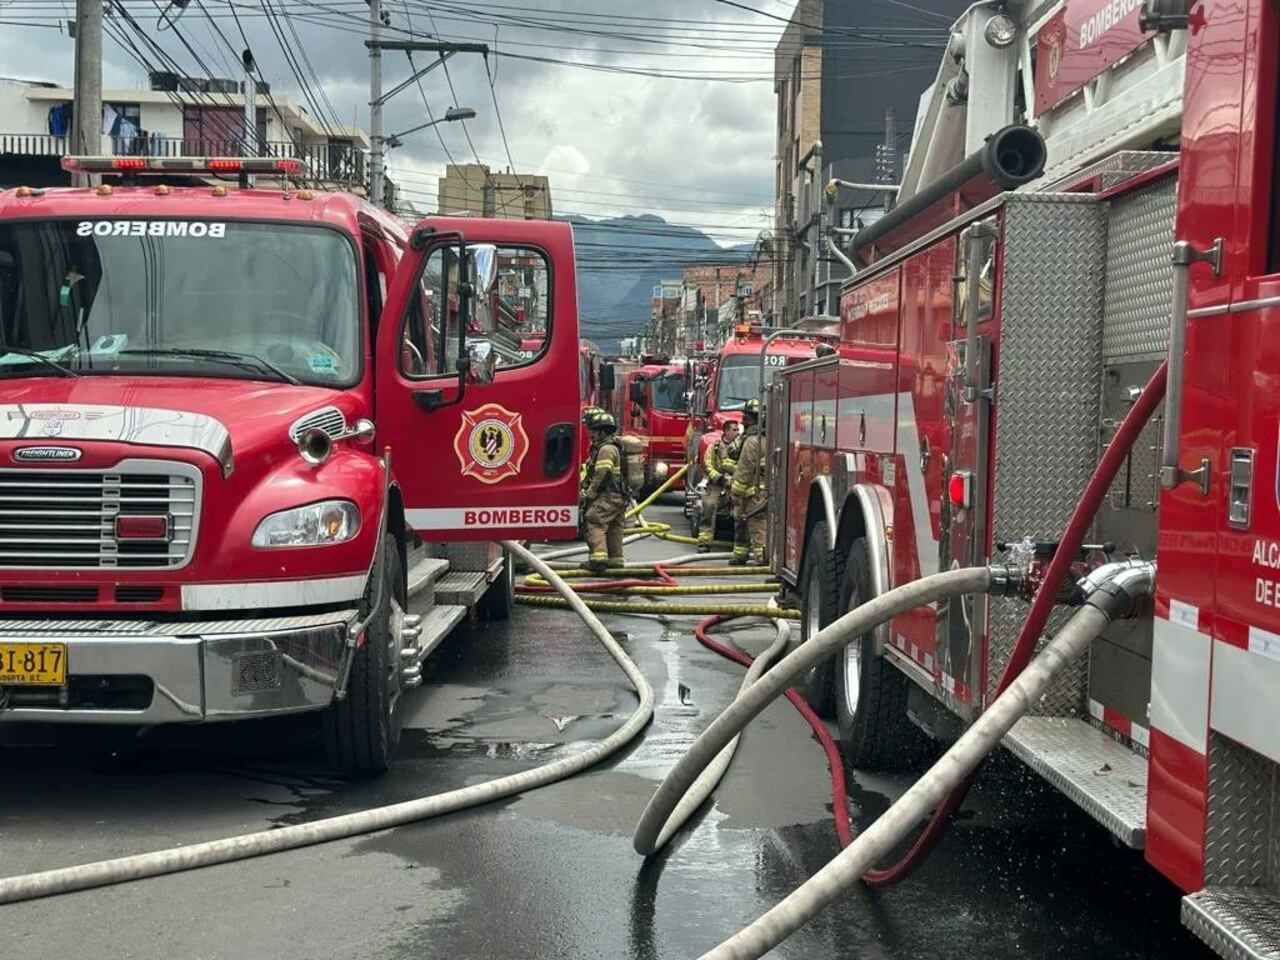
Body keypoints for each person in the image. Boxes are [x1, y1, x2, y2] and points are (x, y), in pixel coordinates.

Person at [582, 411, 628, 572]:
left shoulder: (606, 449)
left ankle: (598, 560)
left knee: (594, 520)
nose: (591, 434)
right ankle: (615, 559)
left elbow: (602, 473)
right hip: (619, 496)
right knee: (615, 526)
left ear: (602, 431)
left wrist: (591, 492)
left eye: (593, 430)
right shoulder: (614, 447)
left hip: (607, 495)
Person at [729, 399, 767, 566]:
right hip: (763, 490)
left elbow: (744, 468)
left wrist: (736, 491)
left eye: (746, 416)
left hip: (752, 492)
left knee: (754, 524)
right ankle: (740, 554)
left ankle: (760, 557)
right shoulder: (768, 437)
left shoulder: (752, 441)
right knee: (746, 523)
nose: (744, 419)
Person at [697, 419, 740, 552]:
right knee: (709, 506)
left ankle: (740, 543)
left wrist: (733, 480)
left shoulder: (740, 447)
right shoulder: (714, 447)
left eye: (738, 430)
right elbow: (708, 465)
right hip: (716, 484)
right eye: (734, 430)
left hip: (735, 484)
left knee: (742, 510)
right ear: (726, 431)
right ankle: (704, 542)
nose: (737, 433)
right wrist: (720, 478)